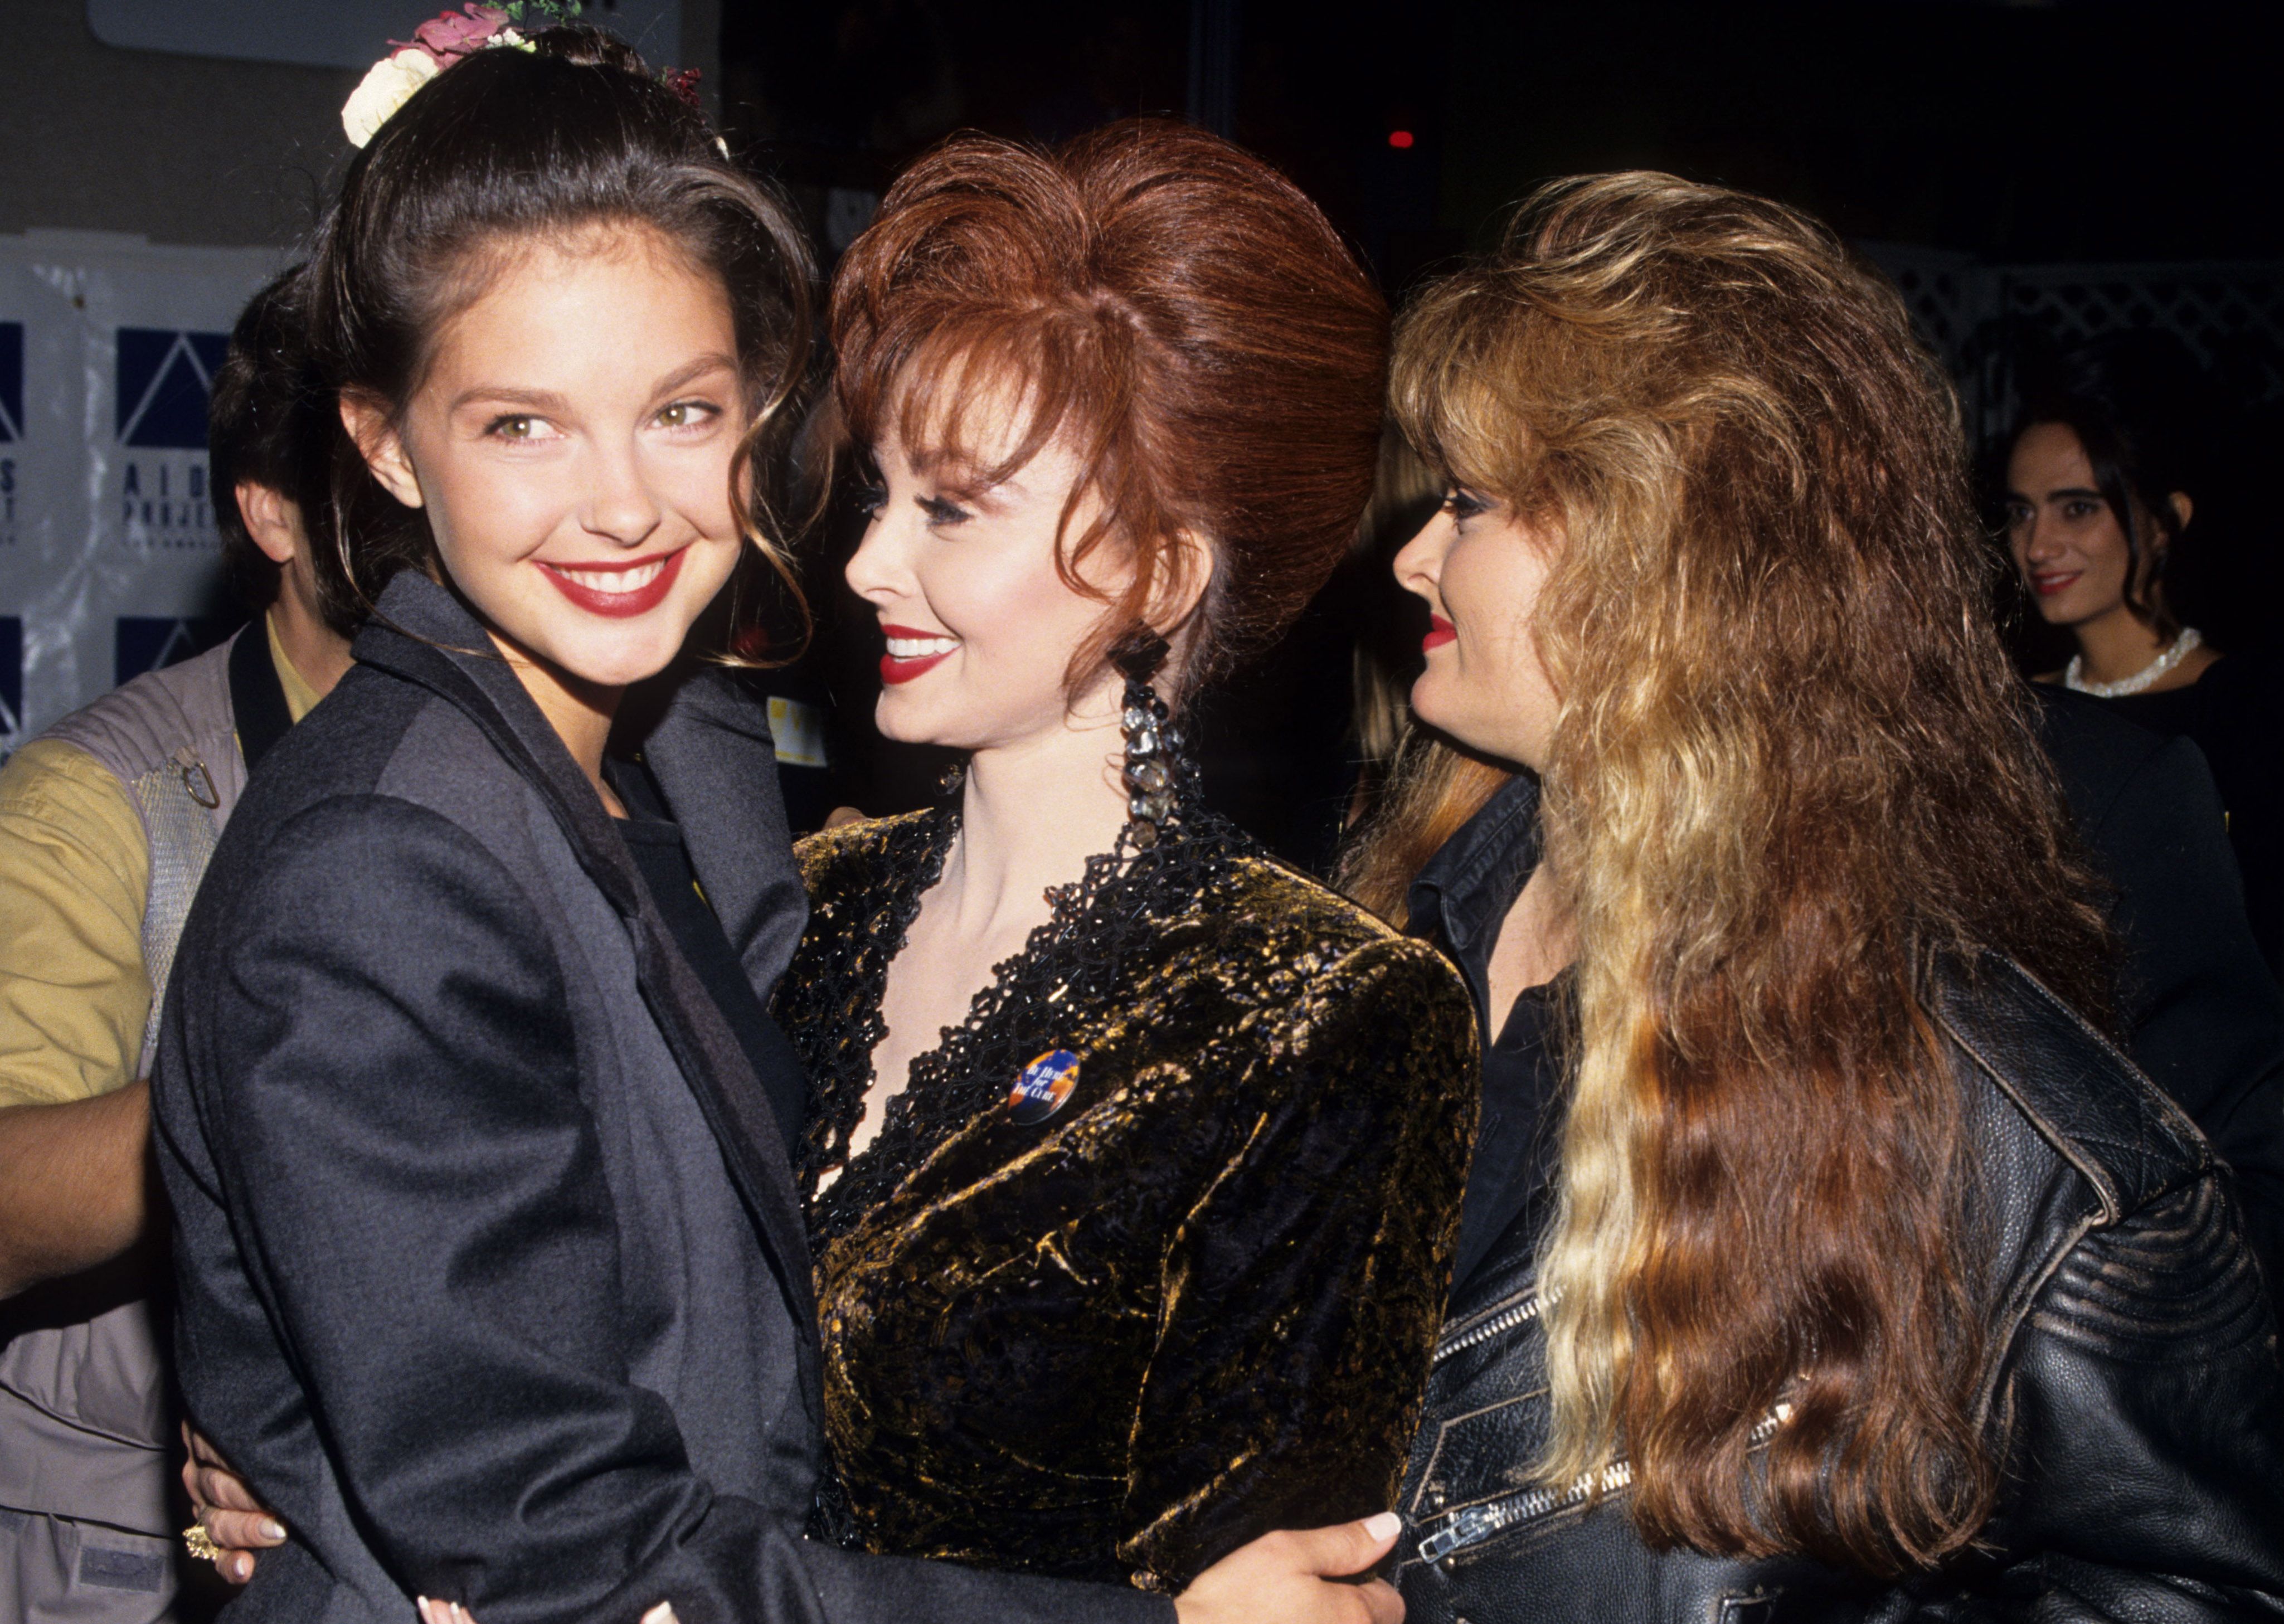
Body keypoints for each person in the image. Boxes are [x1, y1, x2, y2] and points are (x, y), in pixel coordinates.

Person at [150, 24, 1404, 1624]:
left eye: (680, 413)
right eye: (518, 425)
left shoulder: (698, 769)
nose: (620, 503)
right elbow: (568, 1560)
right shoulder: (381, 868)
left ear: (758, 406)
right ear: (389, 443)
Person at [1339, 173, 2284, 1621]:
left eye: (1468, 502)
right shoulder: (1401, 913)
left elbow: (2183, 1580)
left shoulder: (1988, 1116)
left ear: (1664, 547)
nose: (1415, 553)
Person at [770, 120, 1478, 1593]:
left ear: (1160, 573)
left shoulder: (1319, 1021)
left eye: (951, 508)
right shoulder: (802, 904)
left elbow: (1244, 1589)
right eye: (881, 491)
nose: (866, 563)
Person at [0, 268, 349, 1623]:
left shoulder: (567, 770)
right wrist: (287, 1103)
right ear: (269, 510)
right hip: (119, 1562)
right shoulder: (103, 800)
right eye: (374, 461)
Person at [2004, 334, 2284, 976]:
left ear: (2165, 522)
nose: (2039, 545)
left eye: (2076, 508)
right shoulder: (2009, 711)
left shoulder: (2249, 711)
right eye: (2022, 512)